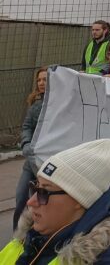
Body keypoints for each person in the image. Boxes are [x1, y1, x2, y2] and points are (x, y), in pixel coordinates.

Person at [0, 138, 110, 264]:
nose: (30, 202)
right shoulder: (29, 238)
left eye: (44, 192)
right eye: (34, 188)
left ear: (79, 199)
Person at [14, 68, 47, 230]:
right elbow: (26, 127)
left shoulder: (63, 105)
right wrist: (26, 144)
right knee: (21, 198)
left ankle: (38, 236)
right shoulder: (35, 105)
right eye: (39, 80)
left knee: (42, 203)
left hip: (49, 165)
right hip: (31, 162)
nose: (41, 83)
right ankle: (16, 236)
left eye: (45, 79)